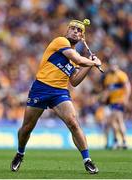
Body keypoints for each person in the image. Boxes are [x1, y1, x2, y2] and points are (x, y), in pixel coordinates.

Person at [10, 19, 102, 174]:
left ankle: (87, 160)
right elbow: (79, 60)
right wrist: (93, 63)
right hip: (41, 88)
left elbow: (74, 81)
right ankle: (20, 153)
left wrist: (90, 66)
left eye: (79, 31)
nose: (75, 31)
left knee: (73, 123)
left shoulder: (75, 56)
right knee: (26, 128)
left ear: (82, 37)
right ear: (67, 31)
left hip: (59, 92)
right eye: (72, 28)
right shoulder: (60, 41)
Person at [101, 63, 131, 149]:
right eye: (111, 65)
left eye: (114, 65)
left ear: (117, 66)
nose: (113, 67)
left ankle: (119, 141)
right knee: (115, 121)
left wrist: (125, 99)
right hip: (112, 102)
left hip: (119, 101)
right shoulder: (108, 77)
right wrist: (104, 98)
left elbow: (128, 87)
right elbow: (108, 90)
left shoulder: (121, 75)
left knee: (116, 120)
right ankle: (121, 141)